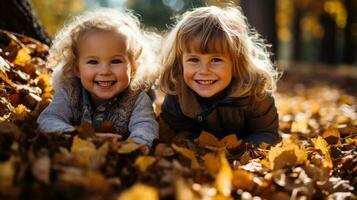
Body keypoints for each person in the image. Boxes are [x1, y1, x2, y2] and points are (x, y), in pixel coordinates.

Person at [159, 6, 281, 146]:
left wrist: (238, 150)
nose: (204, 71)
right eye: (194, 60)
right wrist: (195, 146)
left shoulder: (255, 93)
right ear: (180, 63)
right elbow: (177, 132)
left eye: (216, 60)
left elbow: (266, 133)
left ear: (236, 63)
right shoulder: (178, 95)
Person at [37, 9, 160, 147]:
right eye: (93, 62)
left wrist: (131, 148)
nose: (105, 71)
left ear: (133, 68)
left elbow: (146, 127)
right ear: (77, 69)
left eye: (116, 61)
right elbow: (48, 119)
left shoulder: (136, 99)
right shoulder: (71, 93)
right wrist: (79, 136)